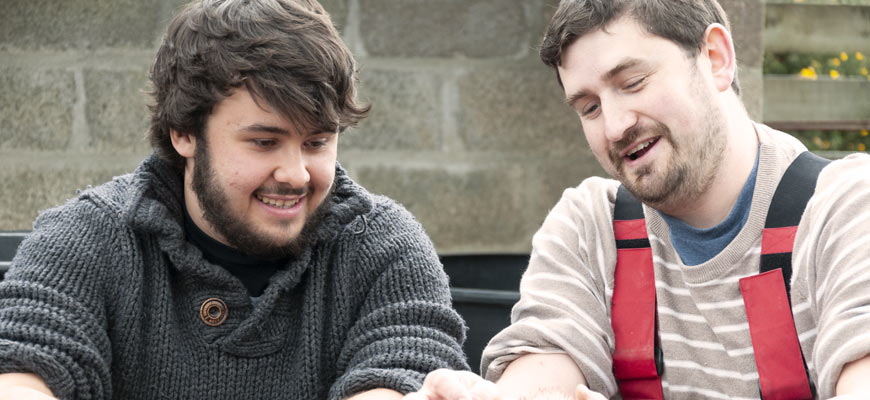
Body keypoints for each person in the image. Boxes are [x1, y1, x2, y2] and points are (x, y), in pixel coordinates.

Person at [0, 0, 469, 399]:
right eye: (264, 142)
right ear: (183, 133)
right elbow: (22, 368)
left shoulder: (384, 247)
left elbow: (403, 375)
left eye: (318, 142)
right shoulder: (89, 236)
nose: (295, 174)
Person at [405, 0, 870, 399]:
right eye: (589, 107)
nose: (614, 127)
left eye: (632, 82)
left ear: (714, 58)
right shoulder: (591, 227)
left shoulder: (845, 209)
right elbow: (542, 373)